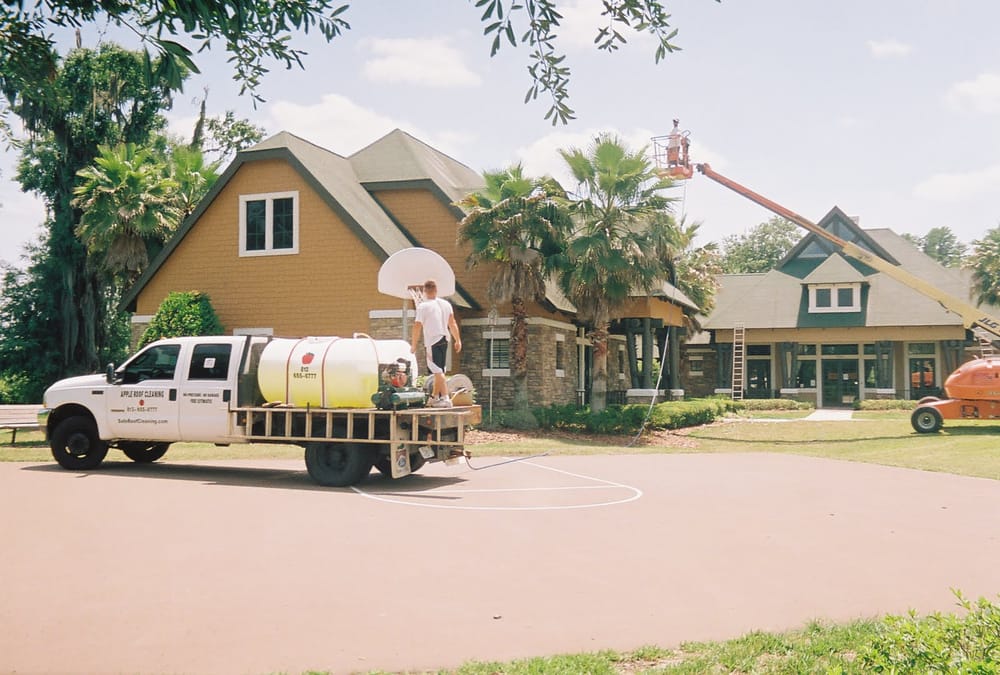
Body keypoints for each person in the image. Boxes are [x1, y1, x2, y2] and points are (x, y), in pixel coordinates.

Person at [410, 279, 462, 408]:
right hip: (445, 339)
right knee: (439, 370)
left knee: (438, 371)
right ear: (436, 290)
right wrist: (458, 340)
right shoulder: (445, 304)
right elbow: (452, 323)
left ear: (424, 292)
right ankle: (434, 397)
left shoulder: (423, 306)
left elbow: (417, 326)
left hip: (433, 340)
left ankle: (445, 398)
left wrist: (414, 344)